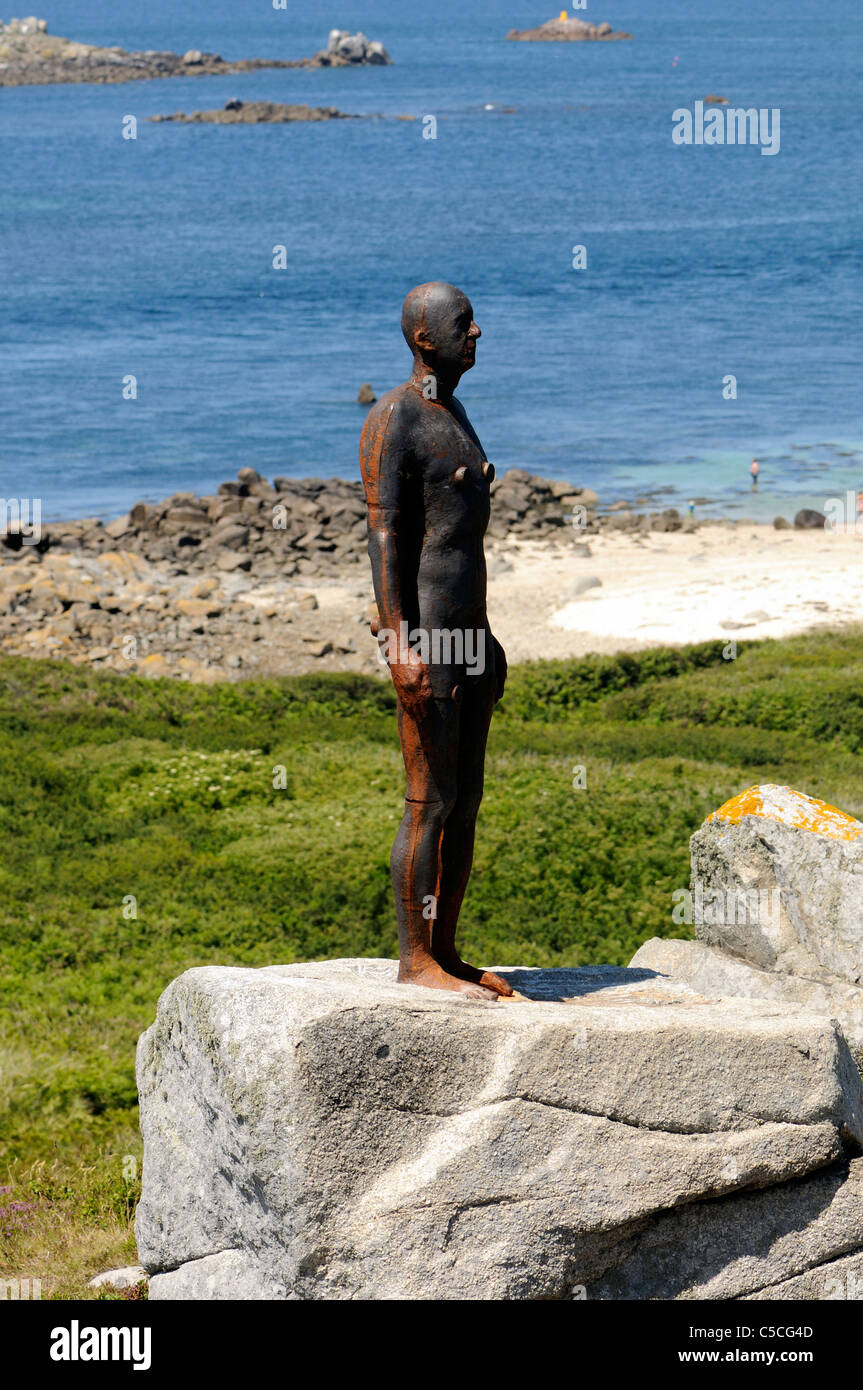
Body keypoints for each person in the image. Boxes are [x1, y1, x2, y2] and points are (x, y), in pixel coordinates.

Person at [360, 282, 511, 1000]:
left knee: (468, 798)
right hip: (429, 640)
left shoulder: (451, 411)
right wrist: (398, 644)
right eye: (462, 324)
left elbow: (457, 541)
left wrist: (490, 640)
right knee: (430, 800)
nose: (476, 331)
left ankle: (446, 951)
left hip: (471, 636)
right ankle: (415, 959)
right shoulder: (395, 417)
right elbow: (386, 535)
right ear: (424, 337)